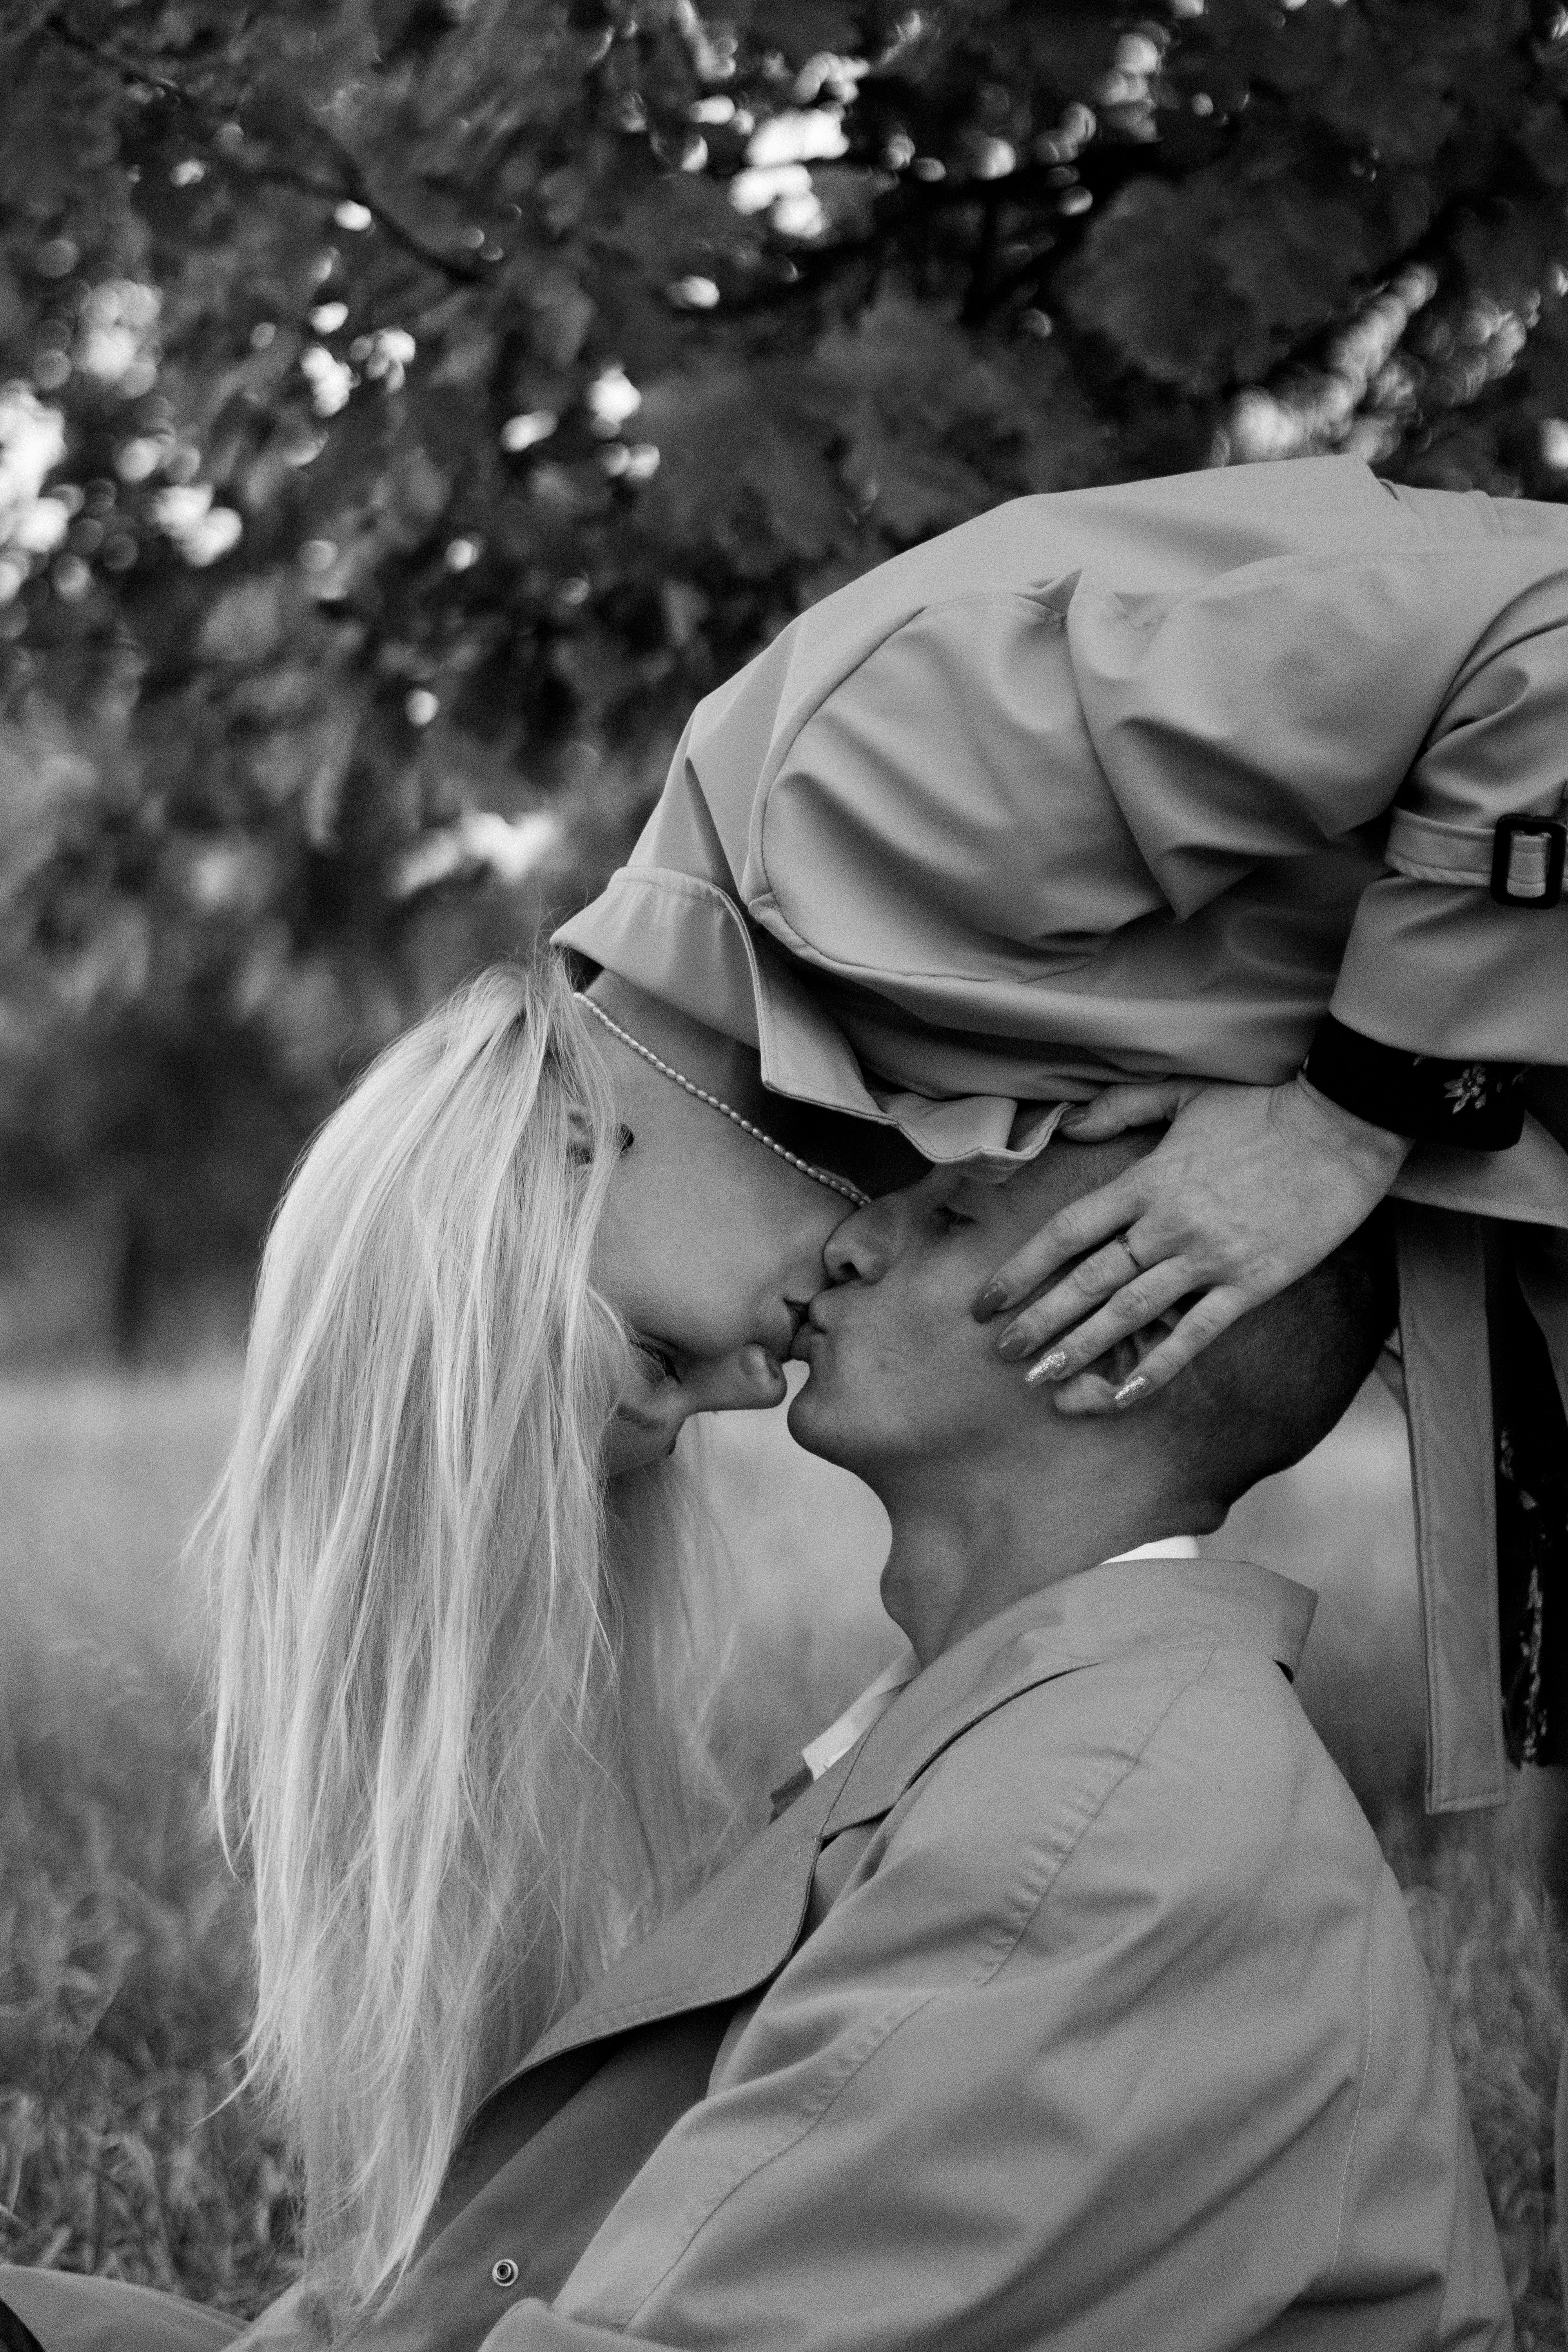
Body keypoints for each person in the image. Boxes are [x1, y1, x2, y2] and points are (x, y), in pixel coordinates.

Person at [2, 1127, 1513, 2349]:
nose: (853, 1238)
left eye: (953, 1218)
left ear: (1127, 1339)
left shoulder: (1110, 1823)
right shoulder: (1011, 1741)